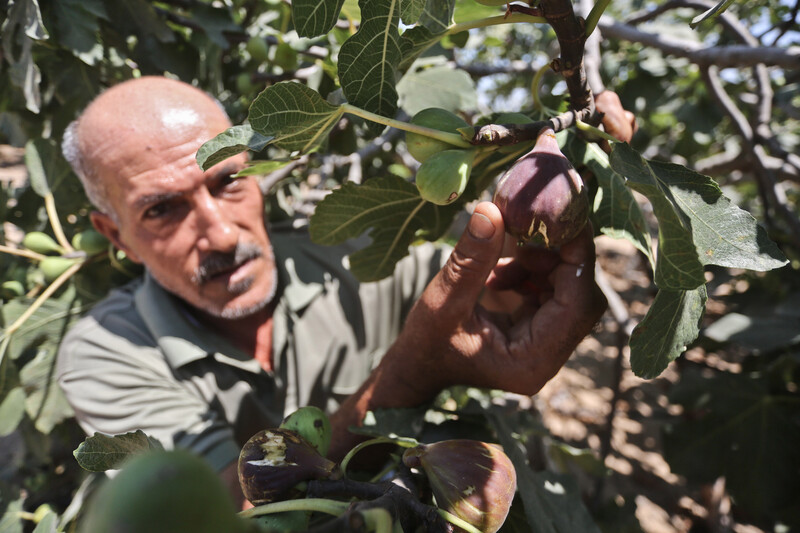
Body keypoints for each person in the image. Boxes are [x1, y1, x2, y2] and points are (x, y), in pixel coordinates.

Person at [57, 76, 607, 508]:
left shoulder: (352, 257)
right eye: (161, 209)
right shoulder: (104, 353)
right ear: (115, 237)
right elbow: (217, 516)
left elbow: (510, 299)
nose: (221, 234)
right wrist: (411, 374)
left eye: (227, 181)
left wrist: (583, 187)